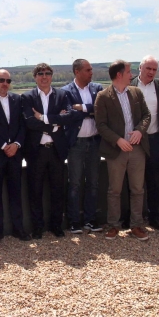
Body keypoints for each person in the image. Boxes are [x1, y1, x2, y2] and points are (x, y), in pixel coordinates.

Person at [21, 63, 79, 239]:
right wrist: (54, 126)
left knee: (57, 190)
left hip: (56, 151)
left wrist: (44, 118)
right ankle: (37, 227)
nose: (44, 76)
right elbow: (30, 122)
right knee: (35, 191)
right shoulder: (27, 97)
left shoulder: (62, 95)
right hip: (36, 151)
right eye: (40, 73)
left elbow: (69, 117)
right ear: (35, 77)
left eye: (47, 73)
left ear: (51, 76)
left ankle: (56, 225)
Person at [95, 60, 151, 241]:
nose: (131, 74)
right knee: (114, 190)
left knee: (137, 189)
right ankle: (113, 225)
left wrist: (139, 131)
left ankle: (136, 225)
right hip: (116, 150)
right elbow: (101, 125)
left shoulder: (136, 92)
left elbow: (146, 115)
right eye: (129, 71)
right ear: (119, 75)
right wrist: (118, 140)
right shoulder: (103, 96)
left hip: (137, 150)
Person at [0, 70, 29, 243]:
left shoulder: (18, 99)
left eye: (8, 80)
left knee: (15, 194)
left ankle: (19, 229)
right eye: (1, 80)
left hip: (15, 155)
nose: (5, 83)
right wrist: (3, 145)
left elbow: (23, 125)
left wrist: (16, 144)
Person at [61, 59, 104, 234]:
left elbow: (102, 109)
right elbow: (69, 114)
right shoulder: (65, 91)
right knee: (75, 184)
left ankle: (90, 220)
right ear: (77, 72)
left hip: (94, 142)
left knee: (93, 183)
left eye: (91, 69)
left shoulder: (98, 88)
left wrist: (83, 109)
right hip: (76, 144)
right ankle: (74, 221)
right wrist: (89, 112)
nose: (91, 73)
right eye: (88, 70)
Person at [129, 55, 159, 230]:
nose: (151, 72)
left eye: (154, 69)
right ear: (140, 68)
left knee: (154, 181)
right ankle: (131, 218)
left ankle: (154, 216)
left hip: (154, 139)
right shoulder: (129, 85)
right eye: (148, 68)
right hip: (133, 141)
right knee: (132, 181)